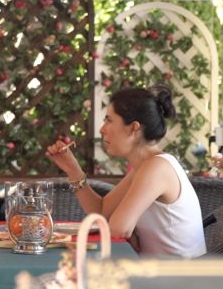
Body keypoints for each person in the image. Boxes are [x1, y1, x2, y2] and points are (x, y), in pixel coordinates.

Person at [45, 85, 206, 257]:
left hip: (177, 273)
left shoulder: (157, 167)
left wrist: (129, 230)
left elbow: (118, 229)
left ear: (133, 128)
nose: (102, 129)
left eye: (109, 120)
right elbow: (101, 211)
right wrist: (73, 170)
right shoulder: (146, 166)